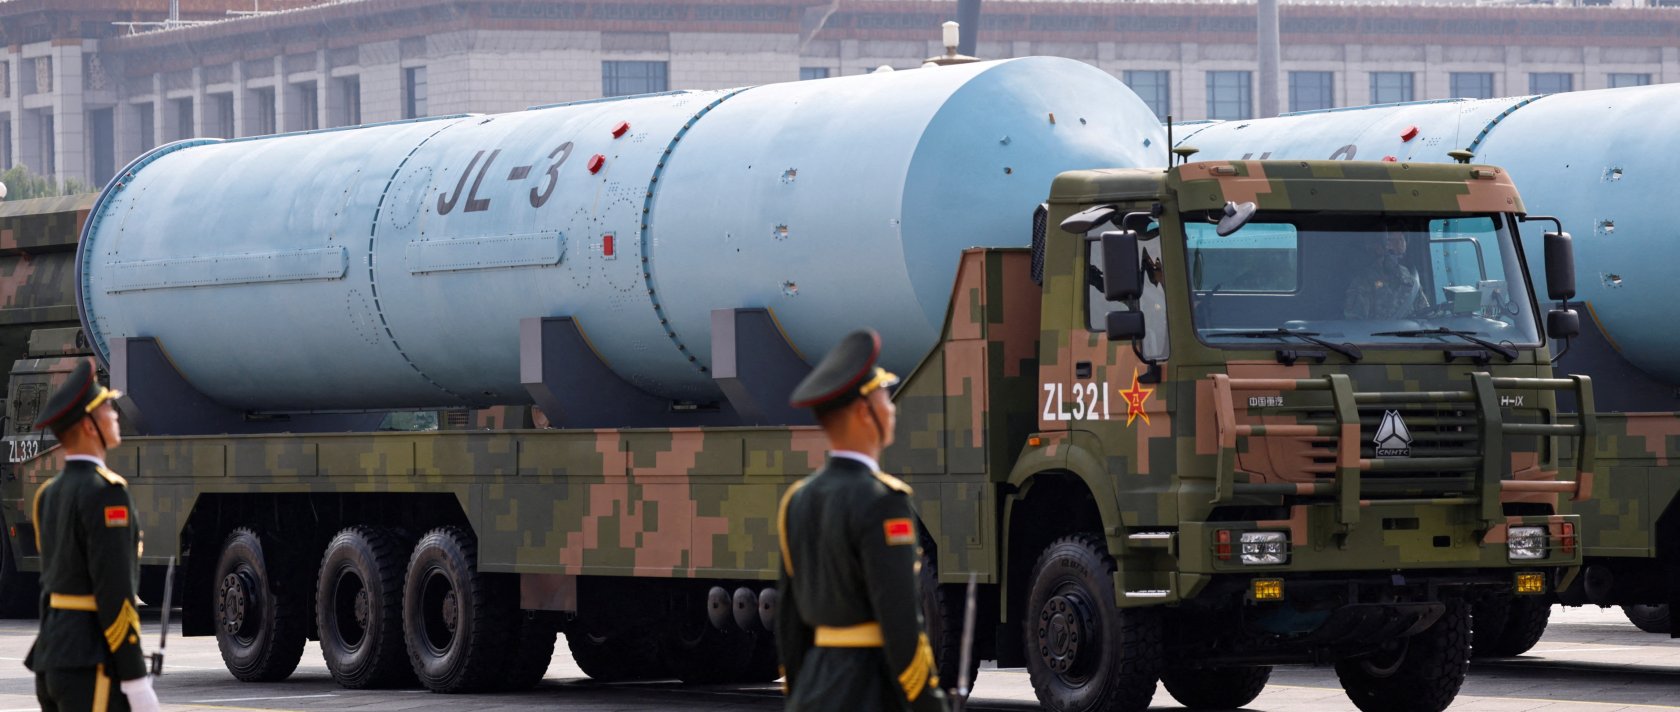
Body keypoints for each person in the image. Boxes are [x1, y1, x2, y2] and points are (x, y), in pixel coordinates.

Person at [776, 329, 949, 712]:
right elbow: (902, 619)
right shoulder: (882, 502)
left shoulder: (797, 501)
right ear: (862, 413)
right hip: (871, 692)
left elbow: (789, 627)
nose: (892, 409)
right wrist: (928, 703)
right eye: (884, 399)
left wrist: (804, 696)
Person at [25, 359, 161, 712]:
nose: (115, 415)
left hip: (53, 657)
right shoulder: (106, 493)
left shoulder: (48, 495)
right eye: (107, 409)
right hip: (92, 663)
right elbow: (115, 593)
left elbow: (50, 588)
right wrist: (135, 677)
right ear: (89, 426)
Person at [1343, 221, 1430, 319]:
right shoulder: (1364, 281)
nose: (1398, 245)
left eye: (1401, 239)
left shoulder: (1410, 277)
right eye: (1391, 241)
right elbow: (1355, 325)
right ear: (1377, 247)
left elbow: (1424, 314)